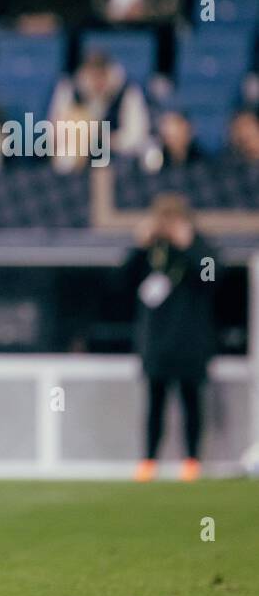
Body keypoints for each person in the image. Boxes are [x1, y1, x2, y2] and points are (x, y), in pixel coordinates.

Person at [123, 194, 218, 483]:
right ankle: (149, 460)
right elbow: (120, 284)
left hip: (190, 340)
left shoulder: (200, 247)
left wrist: (189, 248)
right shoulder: (152, 251)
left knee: (191, 401)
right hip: (156, 341)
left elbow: (212, 278)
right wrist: (138, 247)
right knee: (155, 403)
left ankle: (192, 461)